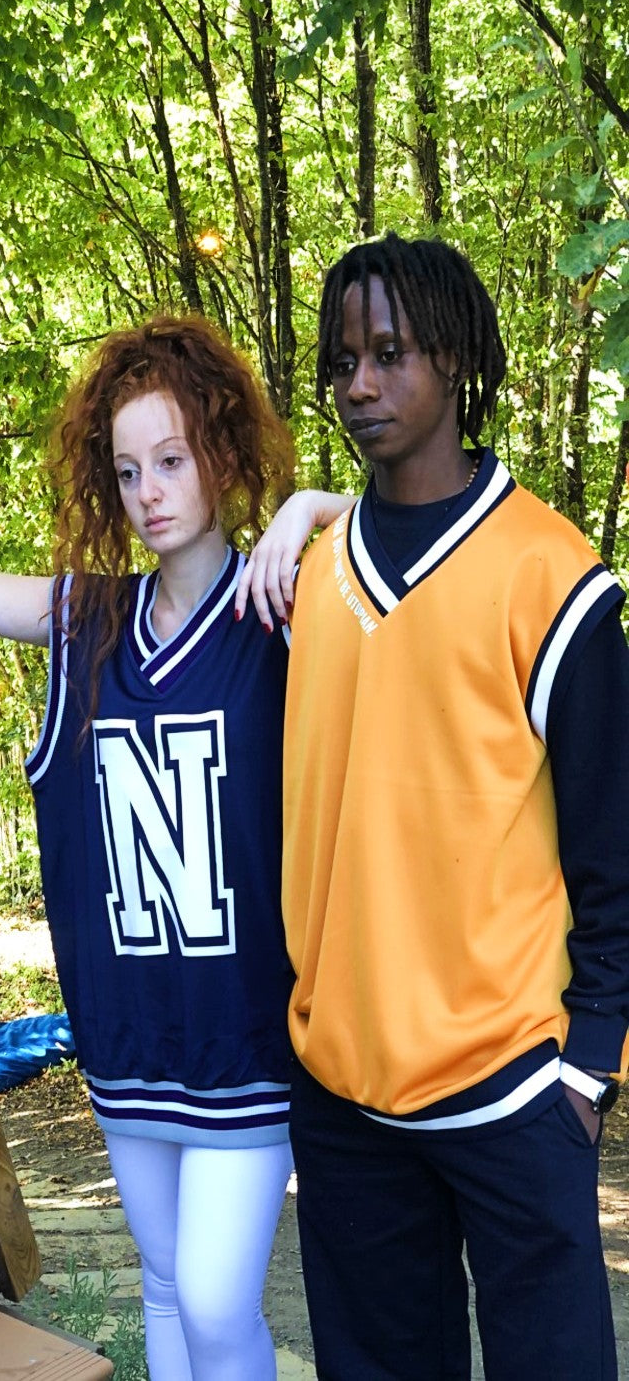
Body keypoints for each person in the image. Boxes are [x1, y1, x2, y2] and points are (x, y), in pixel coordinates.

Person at [0, 315, 343, 1381]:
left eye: (172, 460)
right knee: (163, 1285)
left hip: (246, 1043)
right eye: (127, 471)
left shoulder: (285, 607)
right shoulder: (89, 618)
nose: (149, 492)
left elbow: (408, 548)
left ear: (223, 455)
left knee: (214, 1298)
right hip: (126, 1040)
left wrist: (309, 508)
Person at [260, 232, 629, 1380]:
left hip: (513, 1086)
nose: (358, 384)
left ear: (456, 356)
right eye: (341, 362)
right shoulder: (309, 573)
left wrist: (590, 1065)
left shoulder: (550, 576)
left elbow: (611, 841)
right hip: (344, 1096)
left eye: (389, 354)